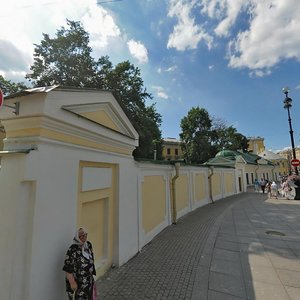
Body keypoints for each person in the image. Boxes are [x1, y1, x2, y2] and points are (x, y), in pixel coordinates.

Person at [63, 228, 96, 300]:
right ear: (77, 237)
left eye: (85, 234)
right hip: (77, 284)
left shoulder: (88, 245)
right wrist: (72, 283)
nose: (84, 237)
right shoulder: (72, 249)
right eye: (82, 235)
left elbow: (91, 259)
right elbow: (68, 268)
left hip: (88, 282)